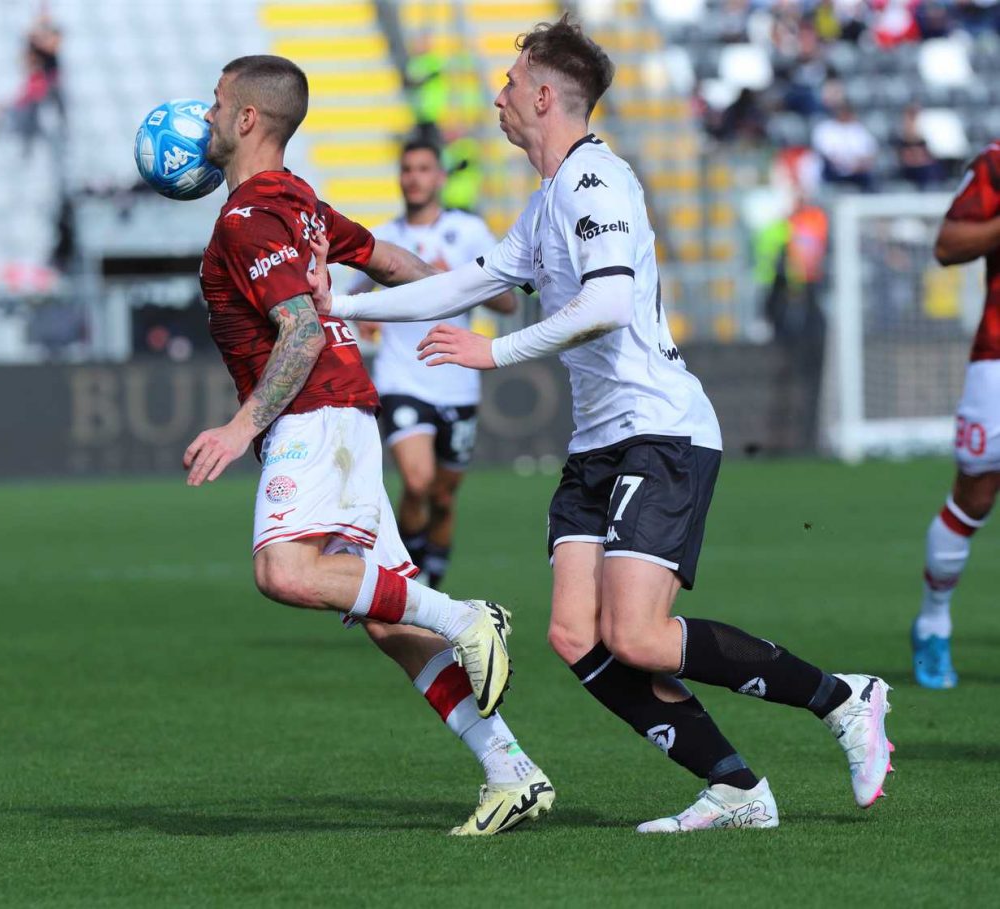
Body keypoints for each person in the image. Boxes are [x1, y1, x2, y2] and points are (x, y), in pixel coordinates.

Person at [309, 16, 893, 833]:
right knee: (575, 635)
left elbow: (609, 301)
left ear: (546, 96)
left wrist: (494, 351)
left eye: (511, 82)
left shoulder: (596, 181)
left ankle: (844, 697)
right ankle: (734, 787)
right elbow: (462, 283)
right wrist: (340, 304)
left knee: (637, 635)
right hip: (598, 443)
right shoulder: (550, 197)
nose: (499, 95)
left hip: (660, 430)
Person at [184, 55, 552, 835]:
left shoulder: (251, 219)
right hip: (344, 413)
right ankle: (510, 769)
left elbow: (302, 331)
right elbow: (388, 261)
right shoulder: (300, 203)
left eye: (216, 103)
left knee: (284, 571)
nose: (205, 116)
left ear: (247, 119)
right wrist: (467, 295)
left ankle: (465, 615)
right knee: (389, 621)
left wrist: (240, 425)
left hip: (315, 411)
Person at [346, 139, 517, 587]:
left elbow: (507, 303)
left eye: (423, 169)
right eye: (407, 169)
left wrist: (454, 279)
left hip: (456, 381)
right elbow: (354, 293)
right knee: (418, 481)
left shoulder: (470, 232)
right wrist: (364, 317)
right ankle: (405, 581)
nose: (414, 178)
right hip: (401, 378)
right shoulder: (384, 237)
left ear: (440, 177)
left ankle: (430, 583)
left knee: (442, 497)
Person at [912, 139, 1000, 689]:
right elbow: (948, 245)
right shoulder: (996, 162)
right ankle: (933, 623)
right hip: (998, 357)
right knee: (975, 495)